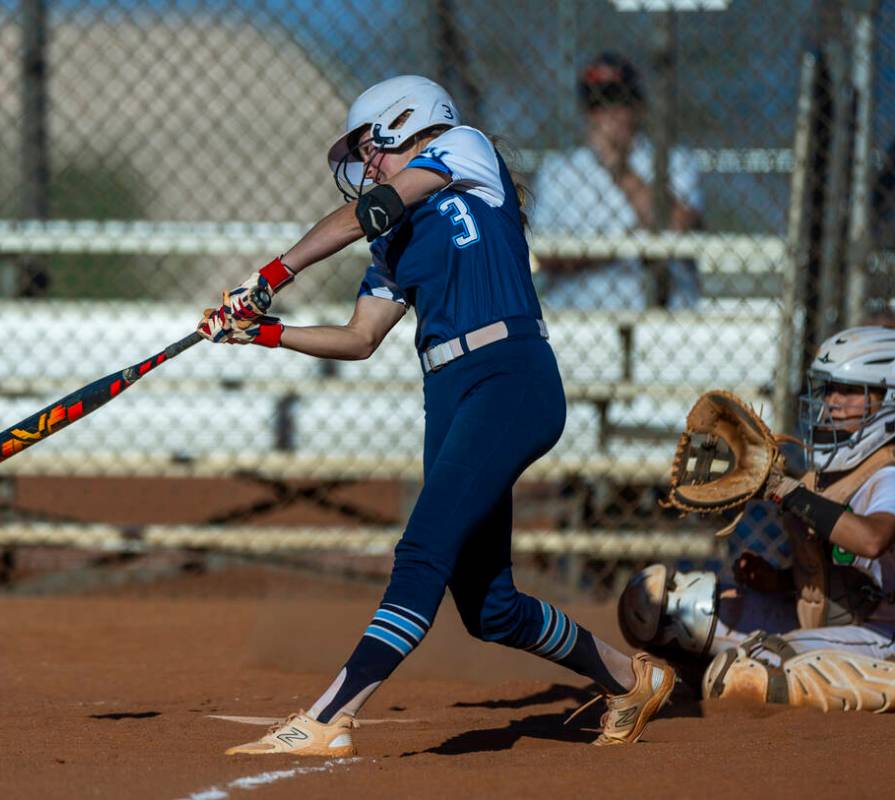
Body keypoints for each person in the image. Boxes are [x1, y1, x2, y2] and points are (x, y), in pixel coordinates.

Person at [196, 75, 676, 757]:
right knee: (487, 606)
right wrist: (262, 332)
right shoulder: (393, 240)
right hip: (447, 393)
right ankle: (630, 679)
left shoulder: (463, 149)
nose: (367, 166)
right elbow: (359, 338)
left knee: (420, 552)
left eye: (371, 147)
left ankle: (329, 716)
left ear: (406, 122)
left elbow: (381, 201)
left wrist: (271, 275)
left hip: (507, 376)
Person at [617, 325, 895, 713]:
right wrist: (782, 580)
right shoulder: (840, 463)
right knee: (650, 606)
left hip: (877, 632)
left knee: (741, 678)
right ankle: (698, 676)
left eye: (851, 391)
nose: (833, 401)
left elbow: (872, 540)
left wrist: (785, 491)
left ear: (894, 400)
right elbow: (843, 570)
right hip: (816, 616)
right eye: (829, 388)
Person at [531, 52, 703, 311]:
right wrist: (625, 245)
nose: (607, 115)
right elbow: (543, 254)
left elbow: (676, 225)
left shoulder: (672, 160)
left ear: (637, 106)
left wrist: (620, 171)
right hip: (578, 317)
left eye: (616, 100)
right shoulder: (559, 170)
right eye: (596, 105)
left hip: (664, 318)